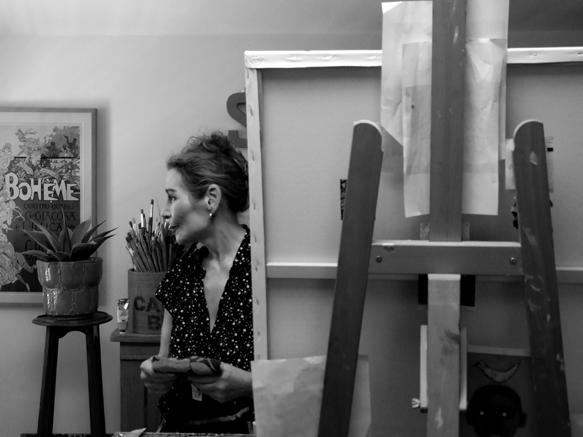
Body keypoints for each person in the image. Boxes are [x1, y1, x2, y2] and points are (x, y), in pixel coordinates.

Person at [139, 132, 254, 433]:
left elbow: (308, 380)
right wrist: (155, 375)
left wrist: (250, 384)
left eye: (172, 197)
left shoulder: (263, 273)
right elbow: (164, 368)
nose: (165, 211)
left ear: (211, 198)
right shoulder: (180, 275)